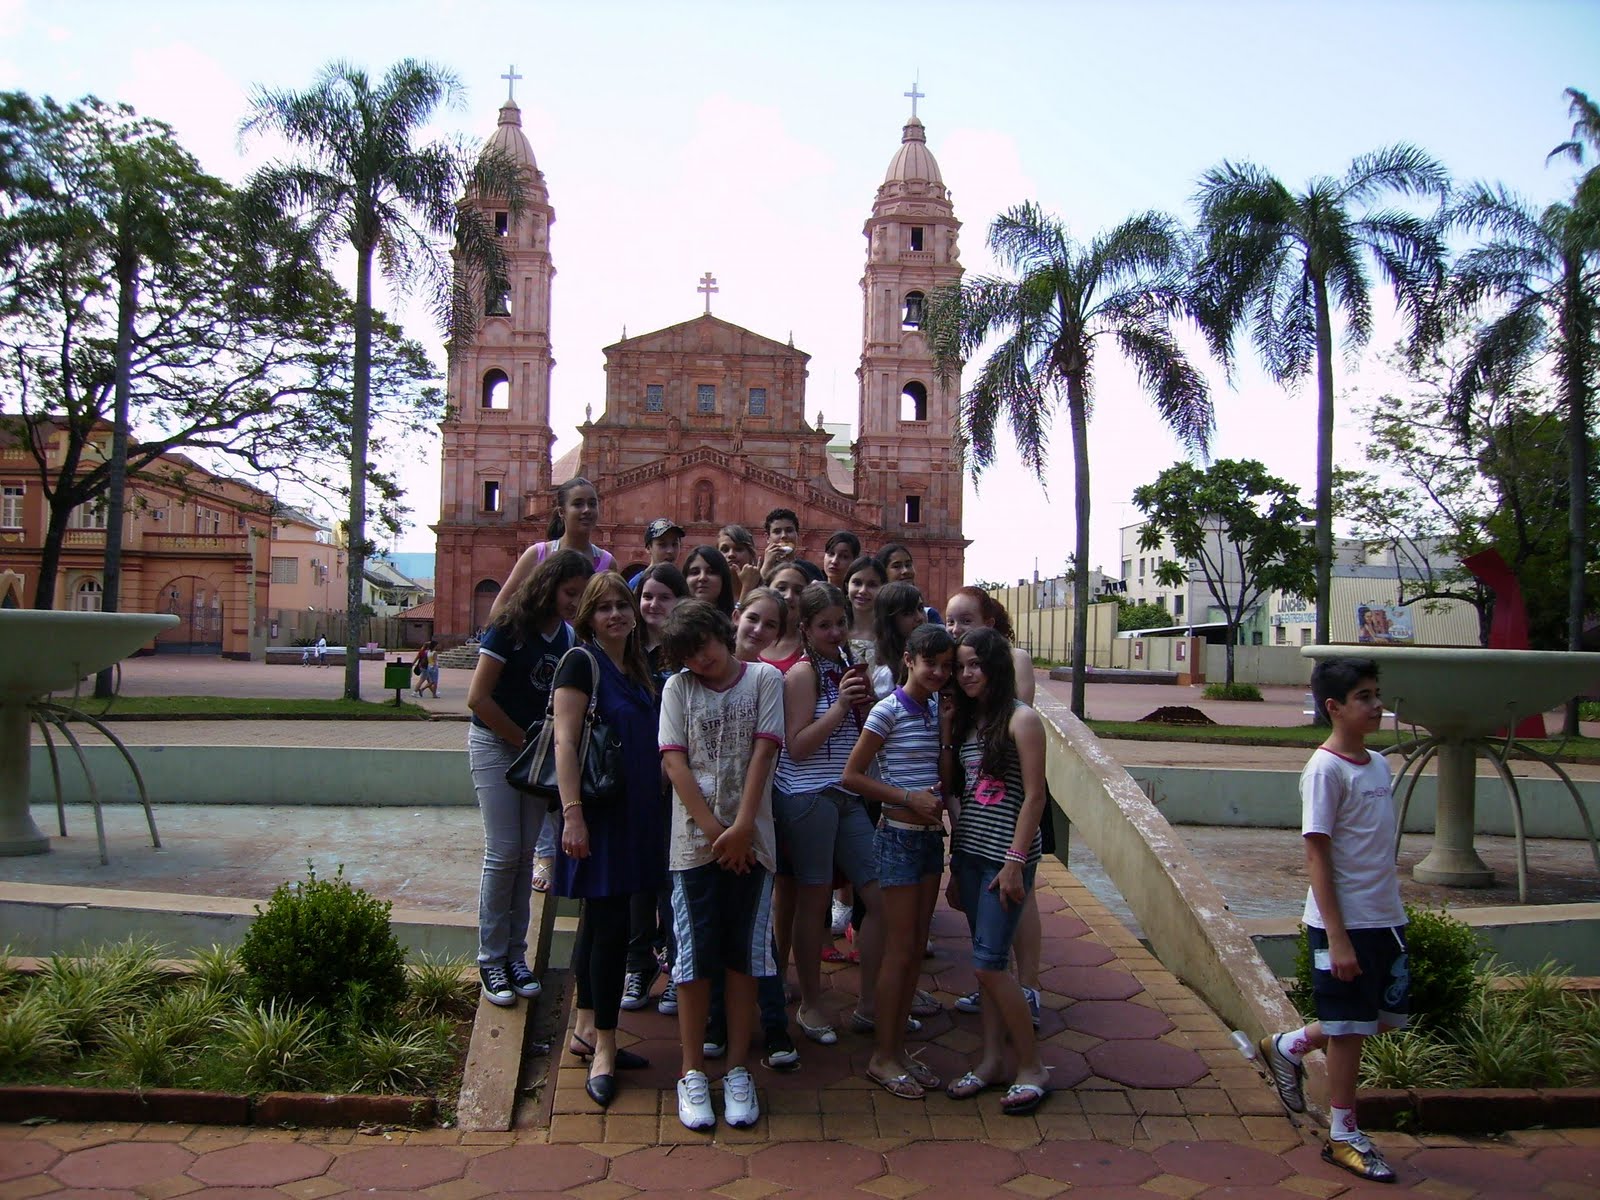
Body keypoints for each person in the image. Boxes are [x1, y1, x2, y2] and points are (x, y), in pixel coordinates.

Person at [1259, 658, 1404, 1184]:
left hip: (1385, 918)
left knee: (1380, 1018)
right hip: (1342, 925)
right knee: (1350, 1031)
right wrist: (1337, 937)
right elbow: (1317, 856)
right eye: (1364, 696)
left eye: (1376, 694)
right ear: (1334, 708)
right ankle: (1343, 1135)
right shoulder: (1325, 770)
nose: (1376, 705)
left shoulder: (1379, 765)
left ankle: (1289, 1045)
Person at [657, 601, 785, 1130]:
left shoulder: (763, 680)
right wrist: (716, 833)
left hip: (753, 845)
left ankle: (736, 1067)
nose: (701, 661)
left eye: (705, 647)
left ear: (723, 632)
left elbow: (765, 754)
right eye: (688, 656)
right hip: (695, 847)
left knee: (743, 957)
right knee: (692, 958)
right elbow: (674, 761)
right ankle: (691, 1071)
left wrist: (742, 829)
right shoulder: (677, 689)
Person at [552, 572, 665, 1110]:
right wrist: (572, 815)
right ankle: (606, 1046)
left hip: (638, 813)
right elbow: (565, 741)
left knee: (601, 923)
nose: (618, 614)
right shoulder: (582, 662)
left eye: (624, 605)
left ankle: (584, 1028)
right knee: (613, 929)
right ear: (589, 616)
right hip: (598, 814)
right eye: (605, 608)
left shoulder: (636, 666)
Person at [465, 549, 595, 1007]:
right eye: (569, 593)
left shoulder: (567, 639)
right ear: (549, 586)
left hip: (536, 756)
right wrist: (524, 744)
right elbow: (478, 698)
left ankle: (515, 957)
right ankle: (490, 958)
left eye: (581, 596)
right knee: (503, 852)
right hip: (498, 746)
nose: (574, 604)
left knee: (525, 854)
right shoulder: (510, 627)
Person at [843, 622, 955, 1099]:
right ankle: (883, 1057)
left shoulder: (936, 710)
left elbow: (944, 776)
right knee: (900, 951)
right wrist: (909, 796)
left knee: (913, 955)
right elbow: (853, 776)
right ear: (908, 659)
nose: (938, 673)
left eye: (946, 667)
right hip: (899, 837)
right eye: (930, 663)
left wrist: (947, 731)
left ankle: (898, 1050)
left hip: (929, 839)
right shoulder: (886, 712)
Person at [943, 627, 1050, 1117]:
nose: (967, 674)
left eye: (976, 665)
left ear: (996, 668)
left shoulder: (1021, 720)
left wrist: (1014, 861)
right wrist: (954, 864)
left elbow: (1034, 796)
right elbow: (959, 794)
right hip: (970, 855)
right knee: (988, 969)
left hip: (1004, 861)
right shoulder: (969, 723)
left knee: (989, 965)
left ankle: (1031, 1067)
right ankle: (990, 1062)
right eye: (961, 665)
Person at [774, 581, 885, 1045]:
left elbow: (854, 738)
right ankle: (812, 1003)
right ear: (805, 628)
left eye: (840, 623)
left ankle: (873, 1001)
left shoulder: (844, 666)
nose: (835, 632)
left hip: (844, 791)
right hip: (807, 795)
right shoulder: (801, 675)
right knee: (812, 900)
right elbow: (796, 748)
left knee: (879, 894)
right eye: (824, 625)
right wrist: (841, 706)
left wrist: (866, 709)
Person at [619, 563, 689, 1013]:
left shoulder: (688, 651)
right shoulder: (624, 652)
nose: (653, 605)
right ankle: (637, 965)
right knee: (638, 878)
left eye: (664, 596)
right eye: (647, 596)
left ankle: (679, 963)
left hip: (677, 781)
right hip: (633, 780)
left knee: (674, 876)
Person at [495, 477, 616, 618]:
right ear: (561, 512)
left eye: (592, 504)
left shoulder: (608, 563)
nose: (587, 510)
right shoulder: (537, 554)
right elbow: (499, 609)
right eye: (578, 504)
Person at [871, 582, 928, 698]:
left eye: (920, 608)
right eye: (908, 613)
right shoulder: (886, 675)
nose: (920, 618)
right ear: (890, 621)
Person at [758, 562, 810, 675]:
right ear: (766, 589)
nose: (789, 596)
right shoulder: (749, 634)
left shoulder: (811, 645)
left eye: (798, 591)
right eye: (781, 588)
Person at [876, 542, 942, 624]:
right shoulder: (872, 616)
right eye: (897, 566)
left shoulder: (930, 616)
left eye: (908, 565)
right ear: (882, 572)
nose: (905, 571)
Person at [683, 545, 737, 618]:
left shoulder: (737, 623)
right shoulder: (672, 623)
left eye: (711, 572)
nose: (702, 578)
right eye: (695, 572)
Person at [628, 518, 685, 587]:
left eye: (674, 544)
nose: (670, 551)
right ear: (648, 548)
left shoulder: (682, 583)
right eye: (662, 545)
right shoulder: (637, 583)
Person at [718, 524, 762, 606]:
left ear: (751, 555)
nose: (731, 554)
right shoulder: (712, 592)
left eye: (739, 549)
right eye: (725, 550)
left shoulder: (764, 594)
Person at [760, 507, 802, 576]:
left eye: (789, 530)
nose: (783, 536)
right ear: (768, 537)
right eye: (777, 532)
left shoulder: (811, 570)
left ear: (797, 534)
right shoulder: (755, 570)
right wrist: (767, 566)